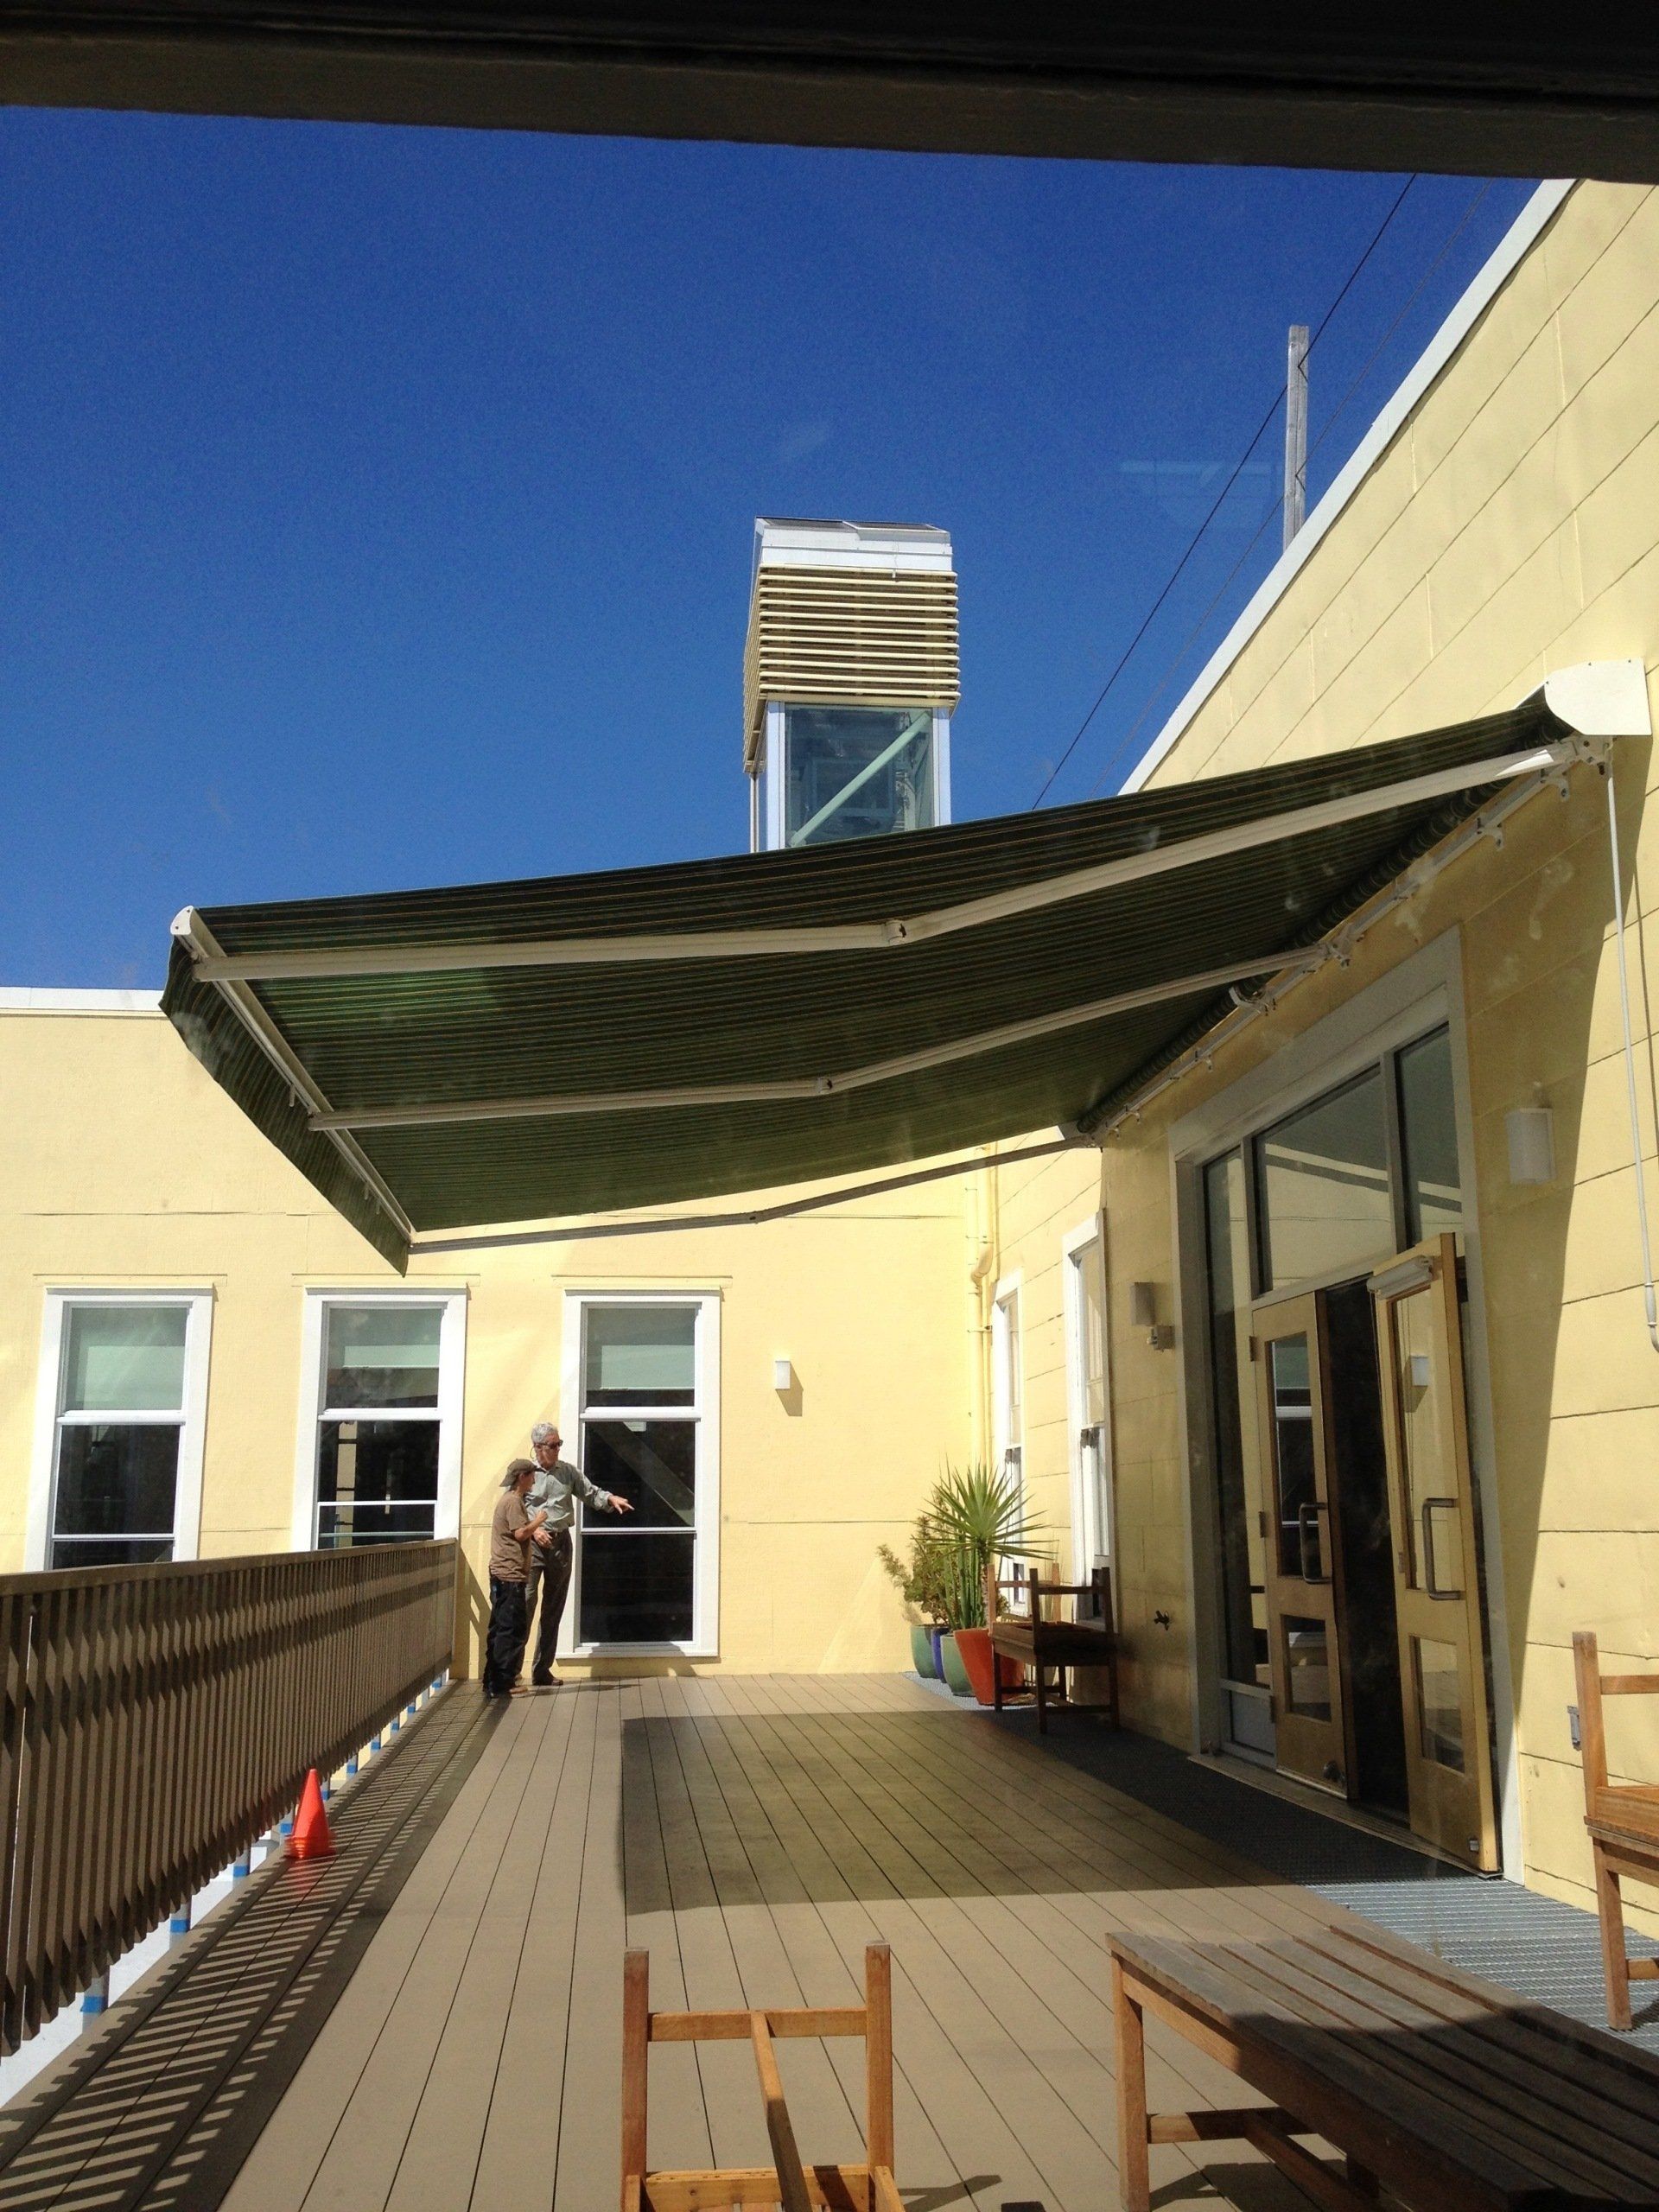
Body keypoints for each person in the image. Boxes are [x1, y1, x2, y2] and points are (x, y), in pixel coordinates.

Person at [523, 1420, 633, 1686]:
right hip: (533, 1544)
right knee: (525, 1603)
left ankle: (541, 1670)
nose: (557, 1448)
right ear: (538, 1447)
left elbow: (590, 1492)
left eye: (559, 1444)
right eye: (552, 1445)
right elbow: (513, 1506)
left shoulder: (567, 1472)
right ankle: (510, 1670)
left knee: (554, 1607)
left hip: (560, 1543)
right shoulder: (525, 1473)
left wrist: (610, 1499)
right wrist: (532, 1530)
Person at [483, 1459, 547, 1698]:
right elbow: (520, 1533)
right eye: (532, 1475)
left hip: (504, 1575)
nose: (534, 1480)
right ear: (522, 1477)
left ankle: (492, 1678)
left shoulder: (511, 1500)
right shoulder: (512, 1501)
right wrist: (539, 1521)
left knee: (499, 1627)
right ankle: (502, 1682)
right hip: (509, 1576)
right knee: (510, 1629)